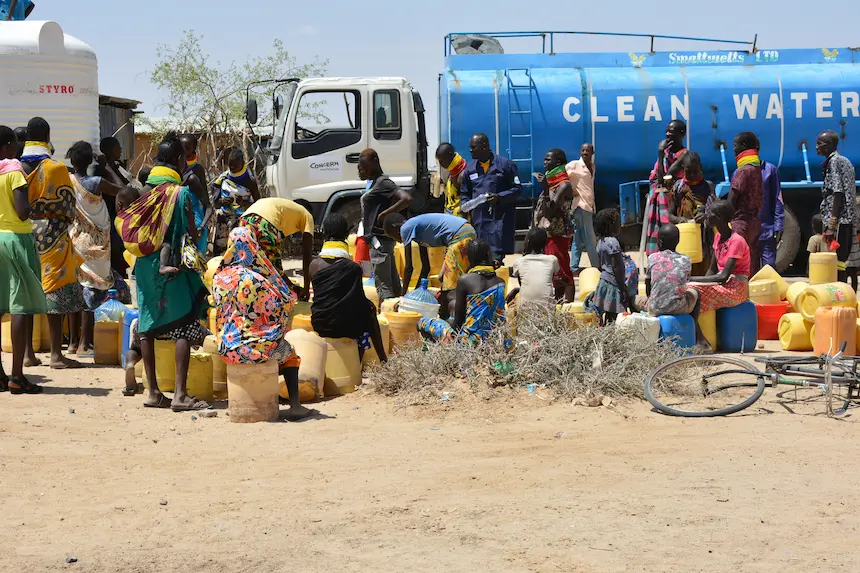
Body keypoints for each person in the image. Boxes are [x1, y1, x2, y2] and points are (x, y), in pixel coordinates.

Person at [115, 135, 211, 411]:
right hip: (173, 265)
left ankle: (153, 392)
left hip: (143, 266)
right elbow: (189, 231)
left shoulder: (142, 191)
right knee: (184, 318)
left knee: (147, 325)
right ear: (180, 161)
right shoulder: (179, 194)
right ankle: (180, 395)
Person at [212, 226, 314, 420]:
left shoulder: (219, 278)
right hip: (255, 347)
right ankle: (295, 405)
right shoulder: (257, 279)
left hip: (227, 346)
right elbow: (278, 307)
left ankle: (239, 398)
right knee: (289, 354)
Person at [20, 117, 83, 369]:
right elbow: (69, 207)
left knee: (25, 293)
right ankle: (56, 354)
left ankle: (27, 354)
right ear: (47, 135)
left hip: (24, 235)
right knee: (54, 291)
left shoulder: (16, 169)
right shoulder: (56, 169)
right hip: (53, 237)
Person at [67, 141, 127, 357]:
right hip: (97, 244)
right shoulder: (96, 182)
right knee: (92, 290)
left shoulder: (68, 179)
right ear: (90, 160)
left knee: (78, 289)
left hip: (76, 241)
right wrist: (109, 166)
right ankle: (85, 343)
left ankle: (74, 342)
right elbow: (124, 189)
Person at [0, 126, 47, 393]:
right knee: (19, 306)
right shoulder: (14, 170)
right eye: (15, 144)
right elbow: (21, 212)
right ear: (7, 145)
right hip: (15, 240)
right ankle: (17, 375)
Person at [309, 214, 388, 362]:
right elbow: (358, 300)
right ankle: (381, 359)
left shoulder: (313, 266)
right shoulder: (353, 268)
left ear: (324, 234)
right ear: (346, 235)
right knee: (369, 310)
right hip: (346, 327)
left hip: (320, 323)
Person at [383, 212, 476, 320]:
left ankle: (454, 322)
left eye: (392, 236)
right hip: (466, 230)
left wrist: (403, 296)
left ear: (396, 227)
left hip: (459, 236)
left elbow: (409, 267)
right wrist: (417, 292)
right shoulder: (417, 230)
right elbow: (425, 266)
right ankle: (453, 316)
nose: (396, 241)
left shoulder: (405, 228)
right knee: (446, 278)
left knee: (450, 287)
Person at [418, 239, 506, 345]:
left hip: (469, 343)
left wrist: (448, 324)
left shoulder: (465, 280)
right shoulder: (501, 283)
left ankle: (436, 356)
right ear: (489, 256)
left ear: (469, 259)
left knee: (422, 322)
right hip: (496, 342)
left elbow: (458, 323)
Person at [358, 148, 413, 303]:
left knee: (383, 287)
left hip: (379, 242)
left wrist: (384, 215)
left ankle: (387, 320)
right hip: (382, 242)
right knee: (393, 285)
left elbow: (406, 198)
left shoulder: (384, 183)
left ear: (375, 162)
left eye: (364, 167)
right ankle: (396, 316)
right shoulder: (376, 183)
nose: (362, 171)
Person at [641, 223, 708, 348]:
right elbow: (684, 285)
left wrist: (653, 300)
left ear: (659, 242)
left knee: (634, 300)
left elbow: (648, 286)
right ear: (678, 241)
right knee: (696, 293)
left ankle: (646, 338)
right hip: (679, 308)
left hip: (655, 308)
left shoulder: (652, 258)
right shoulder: (686, 260)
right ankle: (695, 331)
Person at [460, 133, 522, 264]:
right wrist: (465, 204)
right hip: (479, 221)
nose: (470, 150)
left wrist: (499, 197)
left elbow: (517, 190)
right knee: (478, 257)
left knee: (495, 258)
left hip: (499, 220)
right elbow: (465, 194)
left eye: (473, 147)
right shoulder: (469, 170)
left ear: (484, 147)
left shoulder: (505, 165)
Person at [240, 197, 315, 300]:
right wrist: (306, 288)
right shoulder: (307, 215)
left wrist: (291, 285)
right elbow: (307, 255)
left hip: (244, 220)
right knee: (270, 267)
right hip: (263, 223)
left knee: (249, 263)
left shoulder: (283, 211)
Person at [689, 200, 750, 312]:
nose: (706, 216)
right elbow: (712, 270)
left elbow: (723, 276)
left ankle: (696, 328)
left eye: (710, 213)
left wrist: (691, 279)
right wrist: (699, 282)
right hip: (723, 284)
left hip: (736, 289)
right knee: (690, 289)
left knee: (692, 293)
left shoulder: (736, 241)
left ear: (718, 217)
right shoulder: (718, 236)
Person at [533, 148, 575, 302]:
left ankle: (568, 305)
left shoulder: (563, 185)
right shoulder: (552, 183)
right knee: (554, 273)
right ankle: (558, 303)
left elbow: (550, 211)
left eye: (548, 160)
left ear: (558, 162)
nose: (544, 163)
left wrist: (544, 189)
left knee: (562, 271)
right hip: (548, 233)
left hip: (557, 233)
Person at [817, 129, 857, 282]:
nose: (816, 148)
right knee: (847, 260)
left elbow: (837, 192)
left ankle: (840, 294)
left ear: (828, 145)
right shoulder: (845, 161)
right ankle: (850, 293)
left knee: (838, 261)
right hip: (849, 218)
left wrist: (832, 224)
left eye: (819, 144)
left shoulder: (833, 162)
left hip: (840, 220)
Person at [99, 137, 140, 276]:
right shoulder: (104, 169)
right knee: (117, 256)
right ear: (110, 150)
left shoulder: (116, 166)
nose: (121, 150)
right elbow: (123, 190)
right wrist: (109, 167)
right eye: (118, 147)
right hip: (111, 219)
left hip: (121, 217)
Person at [645, 120, 687, 255]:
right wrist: (662, 154)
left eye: (671, 131)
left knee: (670, 226)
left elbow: (665, 179)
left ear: (681, 134)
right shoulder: (666, 152)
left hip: (674, 194)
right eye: (667, 131)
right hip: (662, 192)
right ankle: (656, 254)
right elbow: (659, 178)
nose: (668, 134)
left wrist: (660, 153)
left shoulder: (684, 154)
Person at [669, 152, 715, 274]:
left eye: (695, 171)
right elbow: (669, 215)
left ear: (701, 168)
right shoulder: (678, 188)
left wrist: (706, 216)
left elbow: (715, 213)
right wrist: (680, 220)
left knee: (703, 270)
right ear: (683, 170)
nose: (692, 175)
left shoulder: (708, 187)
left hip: (704, 239)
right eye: (688, 171)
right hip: (685, 237)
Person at [211, 149, 260, 255]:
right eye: (230, 165)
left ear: (242, 163)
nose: (232, 168)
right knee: (221, 251)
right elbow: (215, 202)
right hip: (223, 220)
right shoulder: (223, 178)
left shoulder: (249, 180)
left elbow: (258, 205)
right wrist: (222, 201)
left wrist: (244, 203)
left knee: (238, 251)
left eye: (235, 165)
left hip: (242, 221)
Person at [729, 132, 764, 275]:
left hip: (740, 222)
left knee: (737, 261)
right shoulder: (756, 169)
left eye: (735, 145)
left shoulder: (743, 171)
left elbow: (732, 199)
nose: (733, 149)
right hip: (754, 222)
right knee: (751, 260)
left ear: (743, 146)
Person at [591, 208, 631, 324]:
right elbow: (616, 266)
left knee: (604, 311)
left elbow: (599, 265)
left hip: (603, 281)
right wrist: (622, 287)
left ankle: (603, 334)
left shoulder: (600, 242)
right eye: (618, 222)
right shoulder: (613, 242)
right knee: (613, 314)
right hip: (614, 282)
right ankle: (611, 336)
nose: (620, 225)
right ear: (612, 225)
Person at [566, 143, 598, 273]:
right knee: (590, 238)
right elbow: (562, 175)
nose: (585, 152)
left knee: (578, 238)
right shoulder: (574, 165)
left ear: (592, 153)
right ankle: (596, 266)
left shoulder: (592, 166)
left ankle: (573, 267)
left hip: (588, 204)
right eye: (583, 150)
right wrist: (570, 189)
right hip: (580, 205)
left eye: (587, 150)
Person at [509, 227, 560, 307]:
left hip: (525, 309)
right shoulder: (552, 260)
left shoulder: (519, 262)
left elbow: (522, 282)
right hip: (547, 308)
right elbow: (549, 279)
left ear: (527, 242)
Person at [180, 134, 212, 254]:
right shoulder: (175, 167)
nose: (184, 150)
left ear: (194, 149)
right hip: (181, 215)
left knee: (197, 258)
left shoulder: (197, 169)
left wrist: (203, 224)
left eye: (187, 147)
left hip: (196, 217)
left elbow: (205, 199)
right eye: (181, 147)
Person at [758, 145, 785, 269]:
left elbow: (777, 199)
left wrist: (778, 224)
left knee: (768, 268)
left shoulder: (770, 170)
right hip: (747, 230)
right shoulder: (739, 172)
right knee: (749, 271)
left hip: (766, 229)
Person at [436, 142, 467, 217]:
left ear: (449, 155)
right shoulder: (451, 172)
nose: (440, 163)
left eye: (442, 160)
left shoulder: (463, 175)